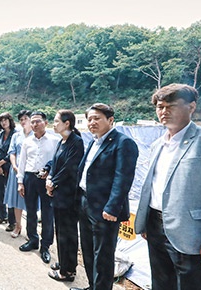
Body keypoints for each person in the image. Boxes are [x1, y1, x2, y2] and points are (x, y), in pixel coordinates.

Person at [134, 84, 201, 290]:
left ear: (191, 107)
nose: (164, 112)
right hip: (155, 227)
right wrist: (146, 223)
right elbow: (153, 188)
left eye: (170, 106)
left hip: (192, 234)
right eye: (160, 107)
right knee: (161, 284)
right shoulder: (158, 145)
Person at [70, 103, 138, 290]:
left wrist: (112, 207)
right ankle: (93, 286)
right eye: (90, 119)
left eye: (97, 118)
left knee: (103, 254)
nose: (92, 122)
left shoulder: (123, 143)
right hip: (85, 202)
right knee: (88, 250)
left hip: (105, 208)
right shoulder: (94, 141)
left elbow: (123, 178)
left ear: (110, 119)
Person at [45, 110, 84, 282]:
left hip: (68, 196)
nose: (53, 124)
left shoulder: (76, 142)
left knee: (68, 232)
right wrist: (49, 177)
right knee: (60, 231)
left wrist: (53, 182)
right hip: (59, 194)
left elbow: (70, 168)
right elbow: (55, 164)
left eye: (56, 121)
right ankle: (63, 262)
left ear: (67, 123)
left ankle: (68, 271)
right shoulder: (62, 141)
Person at [16, 111, 60, 264]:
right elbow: (22, 162)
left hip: (46, 180)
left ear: (45, 123)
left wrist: (51, 178)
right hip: (29, 178)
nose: (34, 125)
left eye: (38, 121)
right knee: (31, 210)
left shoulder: (55, 141)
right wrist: (20, 182)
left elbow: (57, 162)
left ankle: (45, 245)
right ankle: (33, 239)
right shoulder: (27, 141)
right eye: (32, 122)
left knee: (48, 213)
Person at [4, 110, 31, 237]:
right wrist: (14, 166)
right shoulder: (16, 135)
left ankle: (32, 229)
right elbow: (12, 152)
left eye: (26, 118)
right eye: (21, 119)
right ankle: (18, 225)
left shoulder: (36, 135)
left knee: (31, 199)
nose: (23, 121)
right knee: (16, 200)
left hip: (31, 171)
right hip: (16, 171)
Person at [0, 112, 16, 225]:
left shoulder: (15, 135)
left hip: (10, 168)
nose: (3, 122)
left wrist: (2, 162)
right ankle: (2, 216)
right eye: (1, 120)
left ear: (10, 121)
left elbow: (14, 151)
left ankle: (12, 221)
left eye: (6, 120)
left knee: (10, 195)